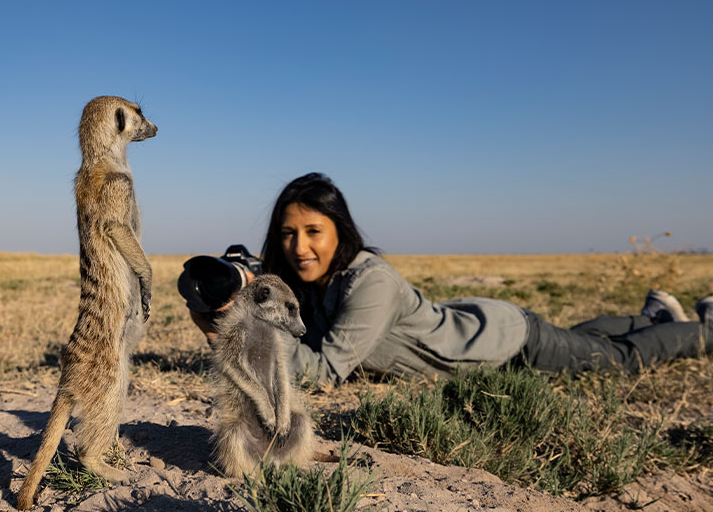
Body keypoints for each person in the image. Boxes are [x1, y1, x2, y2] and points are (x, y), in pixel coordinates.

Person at [187, 172, 713, 386]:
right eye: (287, 234)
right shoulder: (310, 281)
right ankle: (652, 317)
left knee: (613, 360)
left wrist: (237, 334)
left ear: (340, 230)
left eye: (313, 232)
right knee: (582, 338)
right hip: (472, 321)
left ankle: (704, 329)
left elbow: (324, 371)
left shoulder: (370, 282)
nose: (299, 248)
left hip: (504, 342)